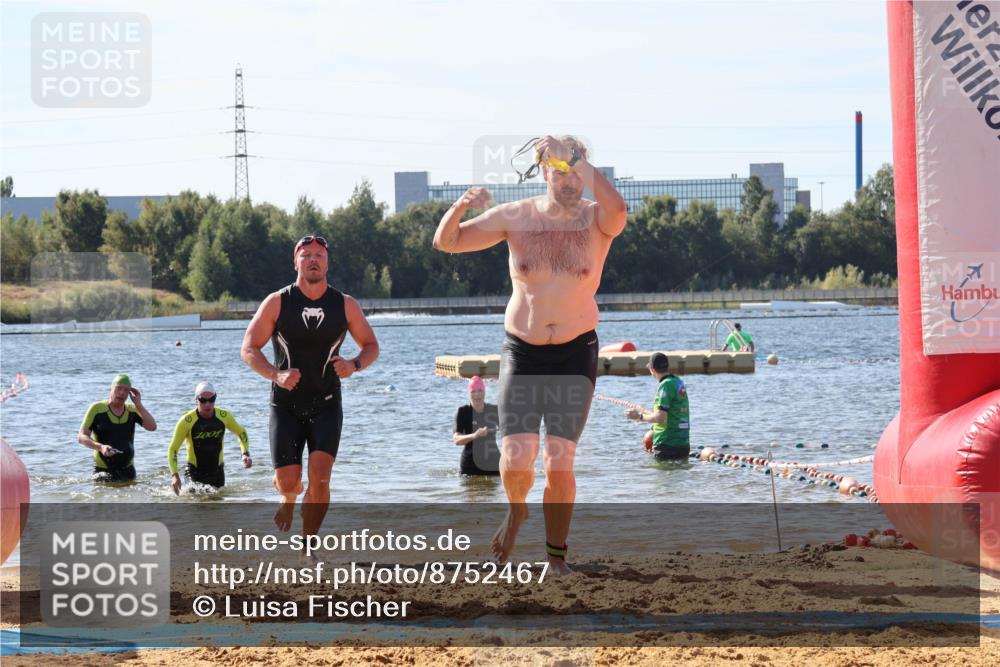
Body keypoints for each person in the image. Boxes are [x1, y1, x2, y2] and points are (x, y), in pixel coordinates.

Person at [432, 135, 628, 574]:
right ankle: (516, 510)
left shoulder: (598, 220)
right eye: (560, 170)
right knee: (517, 456)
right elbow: (447, 241)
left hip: (576, 352)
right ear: (543, 171)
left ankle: (556, 559)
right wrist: (460, 205)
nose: (570, 179)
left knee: (559, 460)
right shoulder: (516, 217)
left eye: (576, 169)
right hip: (522, 352)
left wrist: (573, 157)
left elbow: (620, 209)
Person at [241, 234, 380, 536]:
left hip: (326, 403)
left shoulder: (345, 305)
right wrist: (276, 375)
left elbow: (371, 346)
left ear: (327, 263)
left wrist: (354, 365)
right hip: (285, 405)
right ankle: (289, 497)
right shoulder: (278, 302)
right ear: (296, 263)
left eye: (319, 255)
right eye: (306, 255)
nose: (313, 260)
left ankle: (308, 545)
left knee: (321, 479)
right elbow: (249, 348)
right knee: (288, 482)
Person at [167, 382, 252, 494]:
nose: (208, 404)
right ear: (196, 400)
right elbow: (173, 449)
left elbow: (241, 432)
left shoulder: (224, 416)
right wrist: (174, 475)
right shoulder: (186, 421)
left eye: (211, 400)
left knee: (218, 503)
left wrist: (245, 453)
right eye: (203, 400)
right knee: (195, 502)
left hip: (217, 472)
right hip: (194, 472)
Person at [78, 373, 157, 482]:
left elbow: (152, 427)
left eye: (126, 390)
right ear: (111, 388)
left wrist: (138, 404)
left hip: (128, 471)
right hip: (103, 471)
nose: (122, 393)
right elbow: (81, 437)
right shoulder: (97, 409)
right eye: (118, 388)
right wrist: (100, 447)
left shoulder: (132, 410)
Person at [625, 353, 690, 461]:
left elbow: (660, 418)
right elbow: (669, 414)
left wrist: (639, 417)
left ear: (652, 370)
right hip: (683, 445)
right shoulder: (678, 382)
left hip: (666, 445)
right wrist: (644, 411)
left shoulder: (665, 385)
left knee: (659, 472)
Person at [453, 376, 501, 476]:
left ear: (484, 392)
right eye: (473, 391)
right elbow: (457, 440)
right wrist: (475, 435)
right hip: (470, 466)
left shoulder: (494, 410)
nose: (477, 394)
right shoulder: (463, 412)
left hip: (494, 464)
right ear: (469, 393)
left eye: (480, 390)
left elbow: (509, 427)